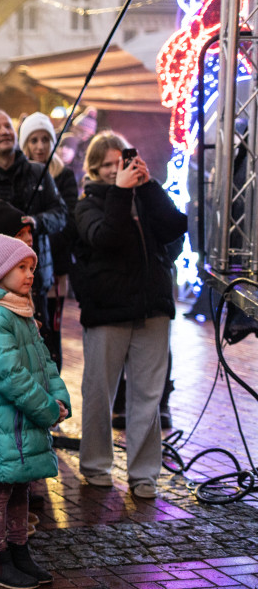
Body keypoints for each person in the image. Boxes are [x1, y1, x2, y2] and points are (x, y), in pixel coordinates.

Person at [72, 131, 187, 499]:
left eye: (120, 161)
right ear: (94, 169)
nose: (115, 169)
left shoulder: (146, 195)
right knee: (99, 392)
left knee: (148, 396)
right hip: (108, 311)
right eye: (107, 164)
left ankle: (144, 475)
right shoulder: (87, 205)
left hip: (153, 308)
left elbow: (175, 226)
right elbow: (106, 237)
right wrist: (121, 192)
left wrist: (148, 185)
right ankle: (96, 466)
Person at [0, 234, 70, 589]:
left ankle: (19, 552)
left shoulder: (19, 309)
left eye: (31, 267)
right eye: (21, 267)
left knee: (21, 486)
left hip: (23, 420)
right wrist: (47, 409)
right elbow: (11, 376)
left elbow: (44, 362)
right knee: (0, 488)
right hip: (1, 420)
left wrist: (59, 397)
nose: (29, 274)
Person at [0, 109, 66, 365]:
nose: (4, 132)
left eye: (7, 126)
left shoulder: (38, 171)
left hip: (36, 281)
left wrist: (35, 223)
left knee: (42, 357)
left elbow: (61, 214)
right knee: (0, 358)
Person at [19, 112, 77, 372]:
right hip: (24, 267)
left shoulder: (63, 175)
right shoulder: (21, 175)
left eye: (45, 139)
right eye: (34, 140)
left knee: (51, 329)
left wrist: (43, 237)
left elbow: (67, 219)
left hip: (54, 269)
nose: (40, 146)